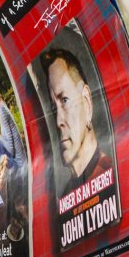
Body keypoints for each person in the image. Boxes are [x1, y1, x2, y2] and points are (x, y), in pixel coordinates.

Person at [42, 48, 113, 186]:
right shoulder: (66, 197)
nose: (58, 121)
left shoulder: (111, 176)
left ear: (86, 103)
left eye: (65, 100)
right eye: (53, 108)